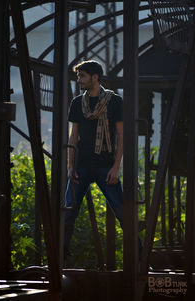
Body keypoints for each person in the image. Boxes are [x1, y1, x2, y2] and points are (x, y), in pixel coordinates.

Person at [64, 60, 123, 262]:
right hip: (81, 166)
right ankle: (61, 257)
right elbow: (73, 137)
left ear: (95, 77)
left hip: (105, 166)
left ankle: (139, 256)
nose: (78, 80)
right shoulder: (77, 103)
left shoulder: (114, 101)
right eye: (78, 76)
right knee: (67, 212)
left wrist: (116, 168)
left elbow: (121, 136)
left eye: (82, 76)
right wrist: (70, 167)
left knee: (122, 212)